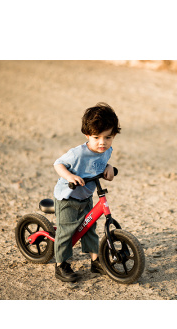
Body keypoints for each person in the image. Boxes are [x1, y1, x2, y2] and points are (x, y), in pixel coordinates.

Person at [53, 102, 121, 282]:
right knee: (66, 232)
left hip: (86, 196)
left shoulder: (106, 151)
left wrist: (109, 167)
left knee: (89, 229)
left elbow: (99, 164)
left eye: (108, 137)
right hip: (68, 197)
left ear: (114, 135)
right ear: (87, 135)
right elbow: (58, 164)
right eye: (96, 137)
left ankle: (95, 261)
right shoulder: (77, 154)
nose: (102, 143)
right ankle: (61, 265)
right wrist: (69, 176)